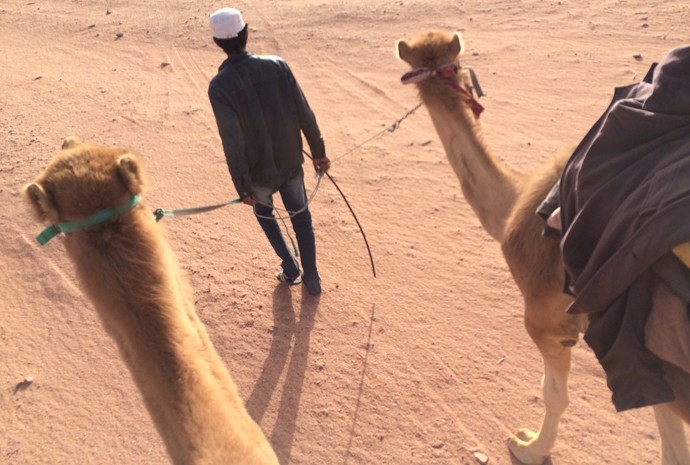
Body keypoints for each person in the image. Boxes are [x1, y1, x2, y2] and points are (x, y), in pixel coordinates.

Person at [208, 7, 330, 295]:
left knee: (265, 214)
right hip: (290, 163)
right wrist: (318, 151)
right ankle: (312, 279)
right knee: (301, 216)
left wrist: (242, 186)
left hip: (257, 172)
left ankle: (290, 268)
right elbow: (304, 112)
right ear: (246, 33)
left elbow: (233, 141)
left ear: (217, 43)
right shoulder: (277, 65)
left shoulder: (219, 87)